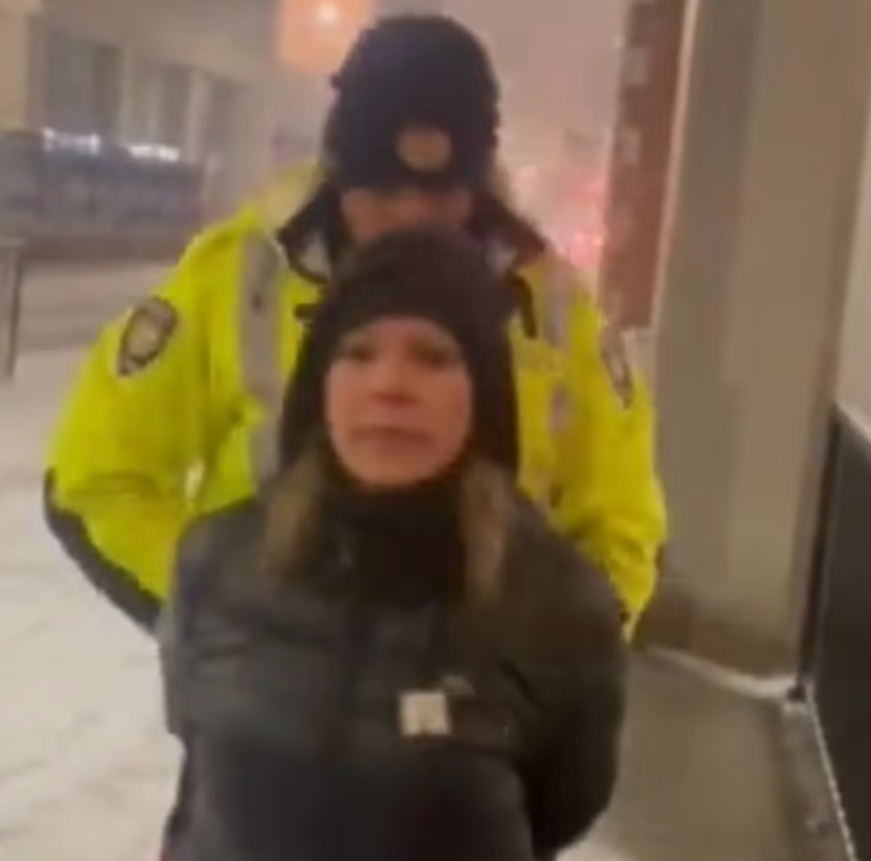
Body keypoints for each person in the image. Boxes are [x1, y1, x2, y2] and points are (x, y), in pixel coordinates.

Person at [44, 13, 665, 639]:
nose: (413, 216)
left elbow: (621, 528)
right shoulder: (239, 274)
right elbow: (96, 479)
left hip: (486, 691)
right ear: (341, 173)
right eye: (384, 191)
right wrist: (230, 627)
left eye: (442, 194)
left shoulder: (554, 308)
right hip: (273, 688)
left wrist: (539, 660)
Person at [157, 226, 627, 861]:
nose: (389, 385)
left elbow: (563, 808)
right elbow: (195, 751)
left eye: (433, 357)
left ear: (484, 394)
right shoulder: (217, 562)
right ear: (320, 383)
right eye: (357, 353)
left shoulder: (556, 604)